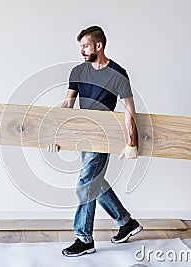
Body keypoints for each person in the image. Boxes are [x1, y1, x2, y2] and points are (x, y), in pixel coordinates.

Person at [48, 25, 142, 257]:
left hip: (103, 135)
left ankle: (84, 238)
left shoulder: (118, 73)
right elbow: (68, 105)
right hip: (82, 134)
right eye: (80, 46)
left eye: (86, 46)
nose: (82, 50)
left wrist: (132, 142)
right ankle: (126, 222)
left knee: (86, 182)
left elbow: (129, 110)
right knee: (95, 182)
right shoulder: (78, 72)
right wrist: (56, 136)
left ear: (99, 46)